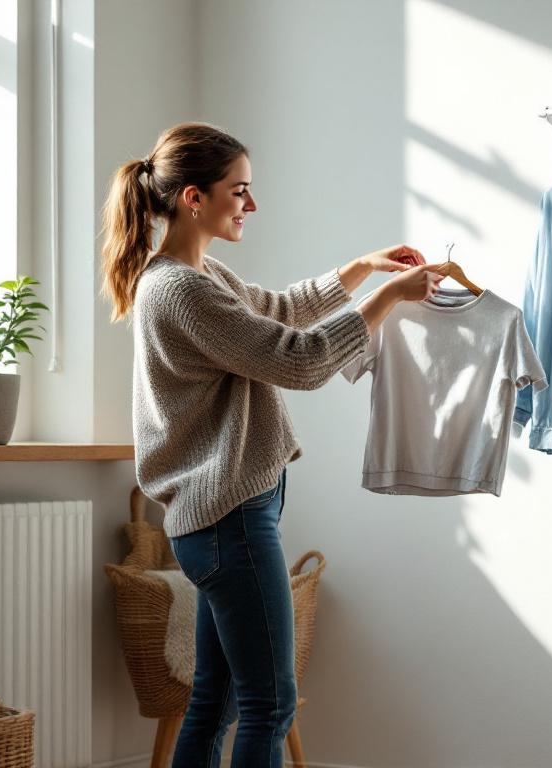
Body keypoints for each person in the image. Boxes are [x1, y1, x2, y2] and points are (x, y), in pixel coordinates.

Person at [99, 122, 441, 767]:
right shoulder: (181, 289)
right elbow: (300, 360)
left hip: (220, 521)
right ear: (194, 198)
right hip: (231, 524)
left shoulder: (193, 275)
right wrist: (389, 297)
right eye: (240, 191)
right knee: (269, 704)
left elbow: (279, 311)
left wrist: (361, 270)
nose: (251, 205)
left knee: (217, 700)